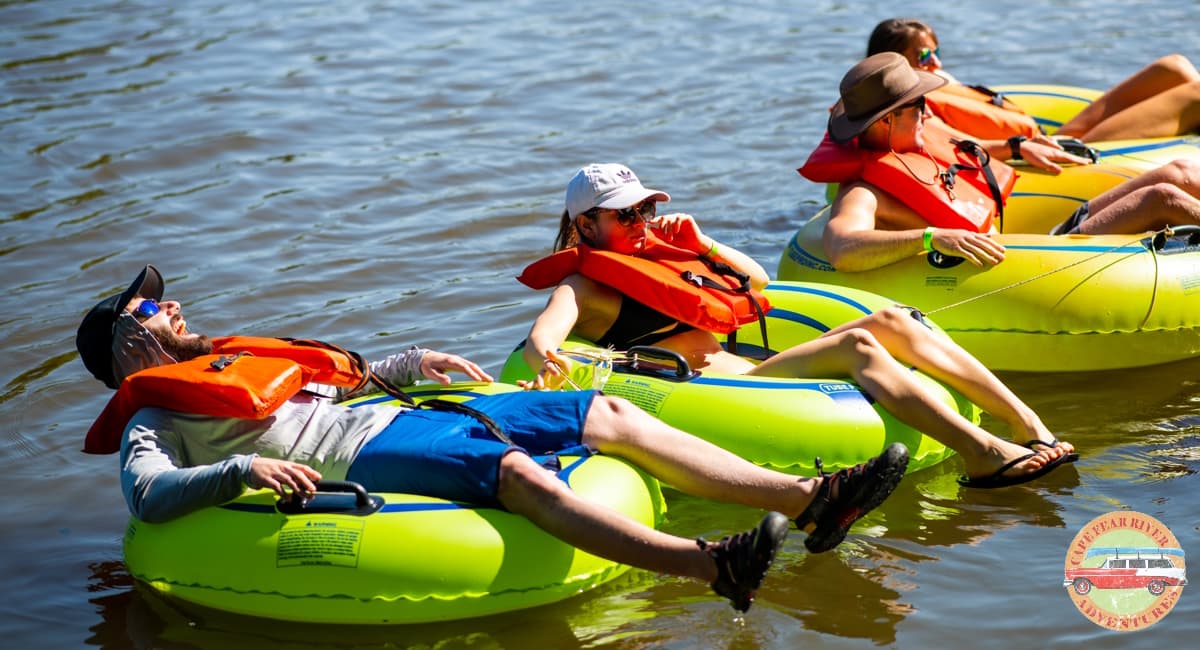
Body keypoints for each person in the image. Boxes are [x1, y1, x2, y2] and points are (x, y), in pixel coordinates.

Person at [76, 265, 913, 614]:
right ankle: (714, 565)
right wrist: (242, 467)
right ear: (127, 354)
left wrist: (411, 360)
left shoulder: (232, 358)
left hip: (397, 412)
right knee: (516, 473)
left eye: (166, 299)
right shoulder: (156, 419)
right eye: (151, 312)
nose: (173, 308)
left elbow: (341, 377)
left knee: (607, 413)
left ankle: (815, 499)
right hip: (359, 455)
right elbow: (147, 497)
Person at [518, 163, 1077, 490]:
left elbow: (755, 282)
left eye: (644, 209)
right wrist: (548, 361)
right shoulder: (587, 286)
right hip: (718, 391)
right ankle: (982, 452)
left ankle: (1029, 425)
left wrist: (700, 243)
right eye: (626, 215)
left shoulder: (663, 257)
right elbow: (546, 334)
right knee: (861, 341)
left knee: (893, 320)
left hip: (754, 369)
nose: (641, 223)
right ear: (586, 224)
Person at [804, 53, 1200, 271]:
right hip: (1044, 265)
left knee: (1176, 172)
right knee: (1163, 196)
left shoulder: (914, 148)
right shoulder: (863, 190)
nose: (929, 112)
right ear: (887, 120)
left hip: (1050, 240)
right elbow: (842, 246)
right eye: (919, 105)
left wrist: (1015, 147)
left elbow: (966, 151)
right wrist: (932, 237)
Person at [866, 18, 1200, 143]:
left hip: (1045, 135)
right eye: (924, 57)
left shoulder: (938, 82)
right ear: (895, 65)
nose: (936, 63)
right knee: (1197, 94)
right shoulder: (909, 111)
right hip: (1052, 153)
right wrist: (1021, 147)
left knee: (1176, 67)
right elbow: (954, 148)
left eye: (936, 52)